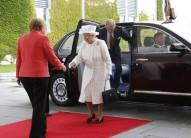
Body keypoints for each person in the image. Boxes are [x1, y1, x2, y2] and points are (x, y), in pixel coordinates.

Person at [16, 18, 66, 138]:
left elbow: (19, 59)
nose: (45, 28)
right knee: (39, 106)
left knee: (37, 105)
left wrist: (18, 75)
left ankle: (42, 129)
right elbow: (51, 56)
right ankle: (36, 135)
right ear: (41, 27)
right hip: (39, 76)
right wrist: (61, 66)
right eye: (45, 26)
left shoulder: (21, 39)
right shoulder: (43, 38)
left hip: (25, 76)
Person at [69, 25, 112, 123]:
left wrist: (108, 72)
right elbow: (79, 57)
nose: (85, 39)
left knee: (98, 95)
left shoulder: (101, 43)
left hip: (100, 72)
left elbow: (108, 60)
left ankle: (100, 115)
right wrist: (73, 63)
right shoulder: (84, 44)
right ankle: (91, 113)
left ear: (92, 35)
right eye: (84, 37)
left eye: (86, 37)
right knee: (86, 93)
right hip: (88, 72)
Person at [98, 19, 130, 91]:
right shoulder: (100, 31)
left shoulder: (119, 30)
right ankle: (107, 86)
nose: (112, 29)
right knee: (104, 69)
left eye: (113, 27)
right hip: (105, 52)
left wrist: (126, 32)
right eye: (110, 27)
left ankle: (115, 87)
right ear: (106, 26)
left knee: (119, 69)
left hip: (115, 53)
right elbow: (96, 42)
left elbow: (128, 38)